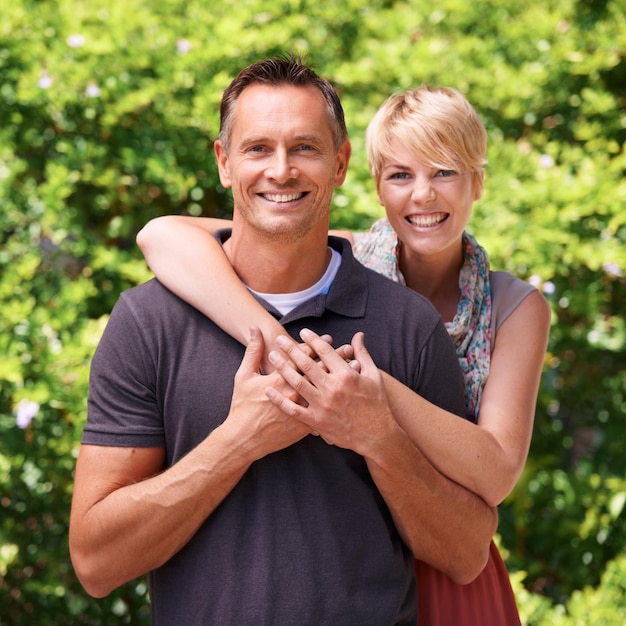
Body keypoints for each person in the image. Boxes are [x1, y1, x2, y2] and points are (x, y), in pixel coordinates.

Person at [70, 55, 498, 625]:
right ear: (224, 163)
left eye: (305, 148)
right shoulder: (148, 321)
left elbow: (467, 554)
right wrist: (239, 441)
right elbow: (96, 562)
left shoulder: (408, 324)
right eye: (257, 148)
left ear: (341, 163)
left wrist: (378, 438)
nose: (281, 170)